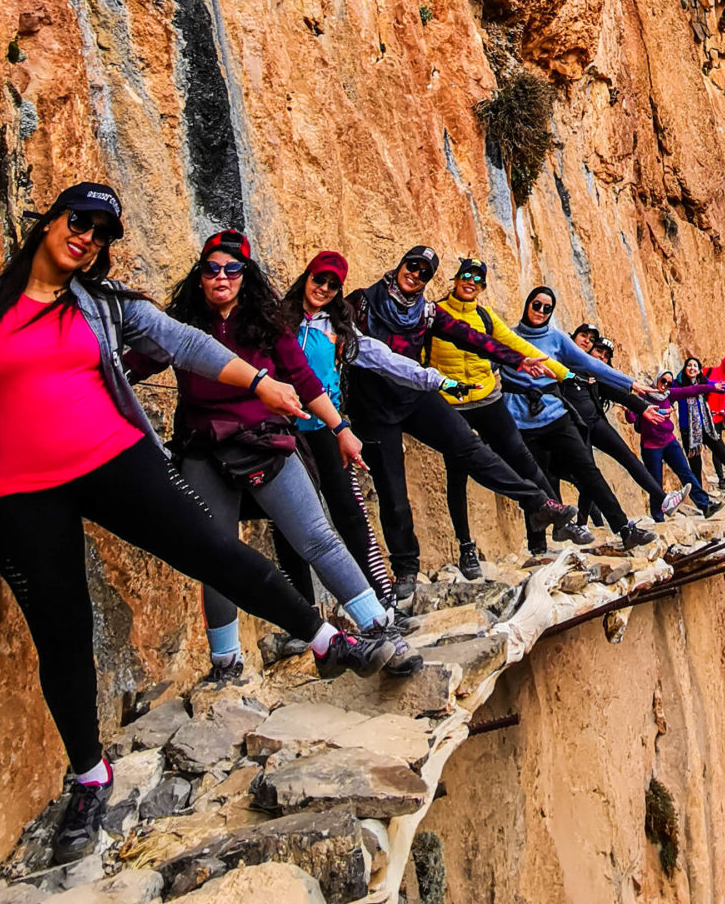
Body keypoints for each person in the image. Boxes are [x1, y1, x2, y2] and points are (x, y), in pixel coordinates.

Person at [0, 183, 363, 865]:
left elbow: (187, 342)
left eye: (102, 232)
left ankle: (323, 640)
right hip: (19, 489)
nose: (87, 237)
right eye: (78, 222)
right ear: (48, 222)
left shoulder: (105, 307)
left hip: (113, 457)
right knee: (62, 630)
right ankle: (90, 776)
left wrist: (260, 384)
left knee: (207, 548)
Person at [160, 232, 413, 683]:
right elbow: (136, 362)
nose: (222, 277)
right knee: (216, 555)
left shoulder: (265, 323)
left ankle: (381, 629)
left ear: (246, 276)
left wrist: (342, 429)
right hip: (205, 449)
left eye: (232, 269)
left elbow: (304, 380)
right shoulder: (181, 323)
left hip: (266, 442)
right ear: (199, 276)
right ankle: (226, 663)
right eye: (212, 269)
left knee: (317, 536)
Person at [349, 246, 580, 588]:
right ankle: (406, 569)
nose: (415, 275)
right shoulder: (363, 302)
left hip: (413, 397)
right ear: (400, 265)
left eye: (424, 272)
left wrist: (516, 360)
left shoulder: (424, 313)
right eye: (412, 266)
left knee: (471, 449)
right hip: (373, 409)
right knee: (393, 491)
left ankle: (538, 503)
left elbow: (471, 338)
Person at [272, 251, 393, 622]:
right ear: (306, 276)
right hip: (285, 430)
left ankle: (382, 600)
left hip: (326, 428)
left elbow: (379, 360)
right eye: (318, 279)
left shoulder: (340, 328)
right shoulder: (277, 320)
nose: (322, 288)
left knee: (350, 513)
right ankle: (303, 615)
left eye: (332, 284)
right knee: (287, 520)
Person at [507, 286, 658, 551]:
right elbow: (485, 361)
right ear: (527, 304)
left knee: (588, 470)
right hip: (520, 418)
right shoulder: (508, 337)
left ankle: (624, 528)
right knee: (536, 482)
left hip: (554, 415)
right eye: (536, 305)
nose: (540, 311)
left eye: (547, 308)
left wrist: (631, 384)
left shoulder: (556, 339)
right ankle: (538, 547)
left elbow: (593, 365)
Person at [568, 327, 662, 513]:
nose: (601, 357)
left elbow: (619, 394)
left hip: (594, 423)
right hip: (572, 426)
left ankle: (663, 499)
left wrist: (643, 408)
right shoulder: (562, 359)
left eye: (605, 356)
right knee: (587, 474)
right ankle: (584, 521)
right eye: (583, 336)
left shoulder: (594, 374)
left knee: (626, 456)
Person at [630, 381, 717, 520]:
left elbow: (692, 390)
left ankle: (705, 505)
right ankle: (658, 517)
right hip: (651, 446)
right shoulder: (644, 397)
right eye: (663, 381)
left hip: (669, 442)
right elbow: (631, 418)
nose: (665, 384)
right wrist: (629, 410)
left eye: (669, 382)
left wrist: (713, 387)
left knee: (685, 473)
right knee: (655, 482)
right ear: (656, 381)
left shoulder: (668, 395)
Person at [673, 353, 725, 498]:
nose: (692, 368)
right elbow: (664, 392)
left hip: (707, 428)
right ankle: (702, 501)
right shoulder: (677, 384)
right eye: (689, 365)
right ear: (685, 368)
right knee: (695, 467)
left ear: (699, 370)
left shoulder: (704, 382)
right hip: (689, 432)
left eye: (695, 366)